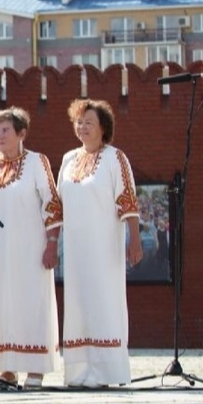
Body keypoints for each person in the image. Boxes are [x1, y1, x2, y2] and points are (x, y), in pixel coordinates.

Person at [0, 107, 62, 387]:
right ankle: (4, 367)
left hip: (30, 250)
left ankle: (35, 369)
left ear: (21, 133)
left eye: (5, 130)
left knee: (31, 303)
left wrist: (52, 244)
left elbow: (52, 205)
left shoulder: (37, 162)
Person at [57, 98, 142, 387]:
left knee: (104, 301)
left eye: (88, 122)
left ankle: (107, 371)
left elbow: (128, 201)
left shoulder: (115, 158)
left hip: (105, 247)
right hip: (76, 250)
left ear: (103, 127)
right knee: (79, 303)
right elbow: (57, 204)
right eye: (78, 122)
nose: (82, 127)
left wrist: (135, 241)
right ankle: (80, 372)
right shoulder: (69, 160)